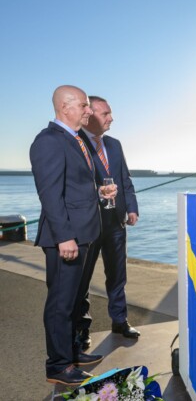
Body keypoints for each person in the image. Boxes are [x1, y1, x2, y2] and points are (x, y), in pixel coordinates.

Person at [30, 86, 116, 386]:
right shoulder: (49, 141)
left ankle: (72, 353)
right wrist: (64, 236)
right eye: (84, 105)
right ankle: (58, 365)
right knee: (61, 303)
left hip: (84, 234)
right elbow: (50, 194)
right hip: (66, 237)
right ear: (65, 107)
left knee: (75, 300)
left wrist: (100, 191)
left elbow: (73, 187)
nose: (88, 110)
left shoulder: (77, 139)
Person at [76, 96, 141, 349]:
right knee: (82, 279)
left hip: (115, 221)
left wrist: (131, 207)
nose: (111, 118)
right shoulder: (75, 142)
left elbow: (125, 178)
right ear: (90, 115)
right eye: (106, 114)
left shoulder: (114, 144)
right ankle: (82, 329)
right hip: (88, 222)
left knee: (117, 275)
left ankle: (120, 320)